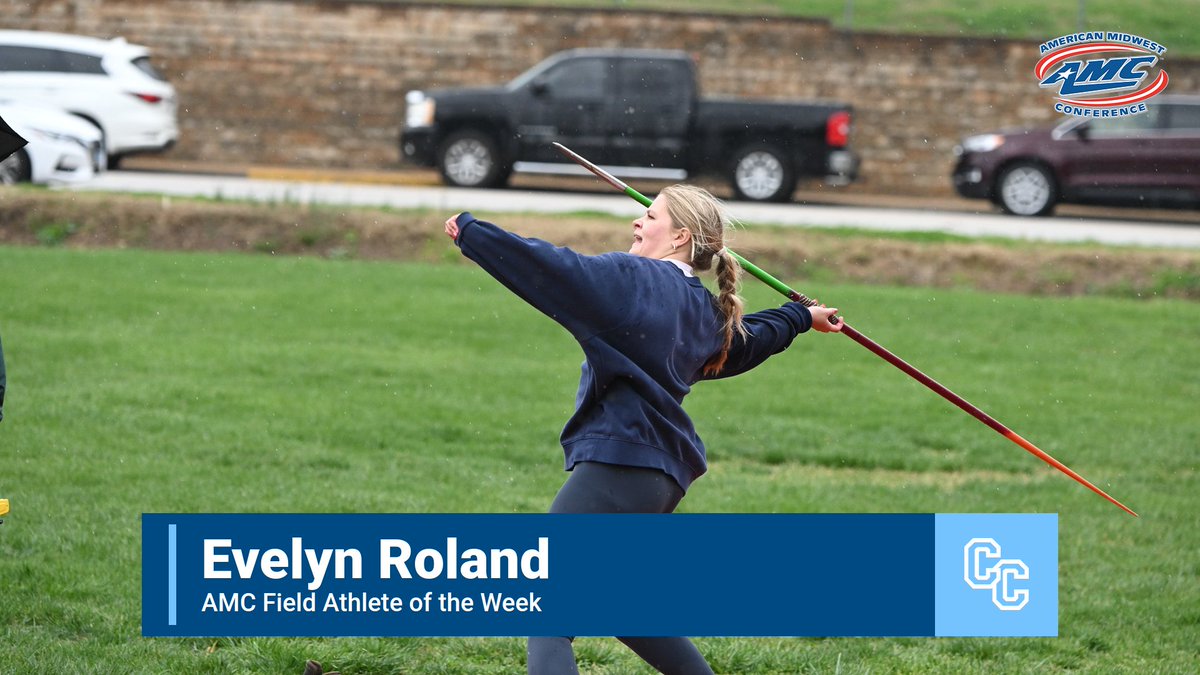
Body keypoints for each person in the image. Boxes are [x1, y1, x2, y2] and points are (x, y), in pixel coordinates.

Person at [443, 184, 842, 675]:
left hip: (620, 463)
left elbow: (555, 270)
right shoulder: (703, 308)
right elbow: (745, 342)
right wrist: (800, 316)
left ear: (680, 237)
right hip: (660, 477)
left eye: (651, 216)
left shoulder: (630, 280)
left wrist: (475, 234)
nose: (637, 221)